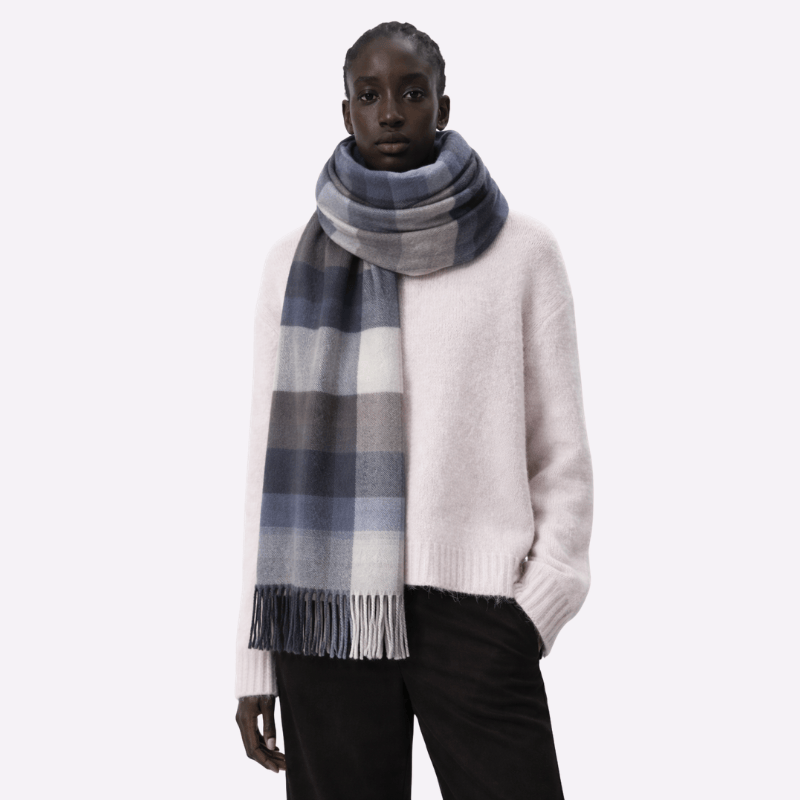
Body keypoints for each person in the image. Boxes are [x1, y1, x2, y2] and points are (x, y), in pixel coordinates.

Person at [234, 21, 593, 800]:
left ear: (443, 105)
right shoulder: (290, 264)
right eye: (369, 95)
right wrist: (254, 657)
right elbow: (267, 468)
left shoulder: (521, 252)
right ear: (346, 113)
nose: (391, 112)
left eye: (411, 92)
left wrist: (538, 605)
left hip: (478, 613)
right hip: (325, 612)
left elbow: (561, 454)